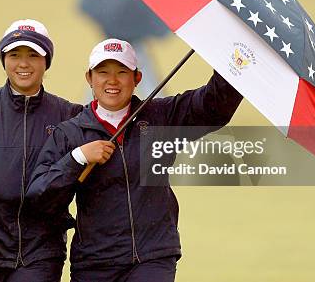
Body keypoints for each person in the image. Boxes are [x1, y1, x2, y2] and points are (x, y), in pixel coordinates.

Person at [27, 38, 243, 282]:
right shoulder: (71, 133)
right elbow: (39, 194)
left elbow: (213, 108)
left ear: (137, 78)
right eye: (103, 72)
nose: (112, 80)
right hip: (94, 262)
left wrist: (232, 63)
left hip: (153, 256)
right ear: (89, 78)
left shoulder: (161, 117)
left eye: (122, 72)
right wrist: (77, 158)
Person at [0, 19, 82, 281]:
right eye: (14, 55)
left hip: (40, 253)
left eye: (33, 55)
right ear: (4, 59)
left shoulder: (68, 115)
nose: (23, 63)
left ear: (46, 61)